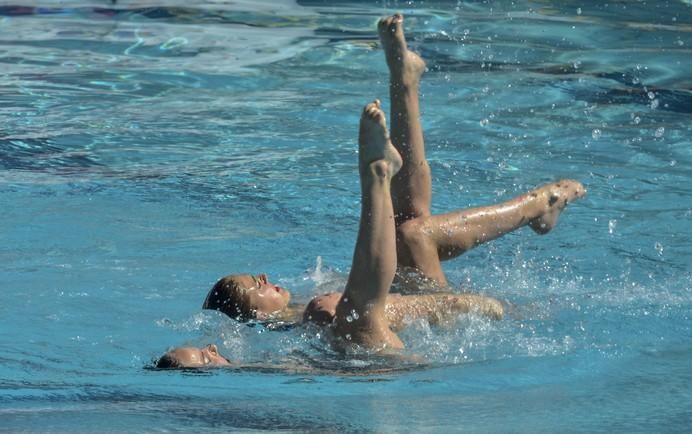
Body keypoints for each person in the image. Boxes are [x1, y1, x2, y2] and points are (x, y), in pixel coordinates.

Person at [157, 14, 585, 367]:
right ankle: (523, 202)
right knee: (392, 252)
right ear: (248, 316)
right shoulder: (272, 347)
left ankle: (405, 81)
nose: (265, 277)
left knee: (411, 230)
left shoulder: (297, 308)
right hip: (436, 323)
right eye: (254, 285)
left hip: (432, 310)